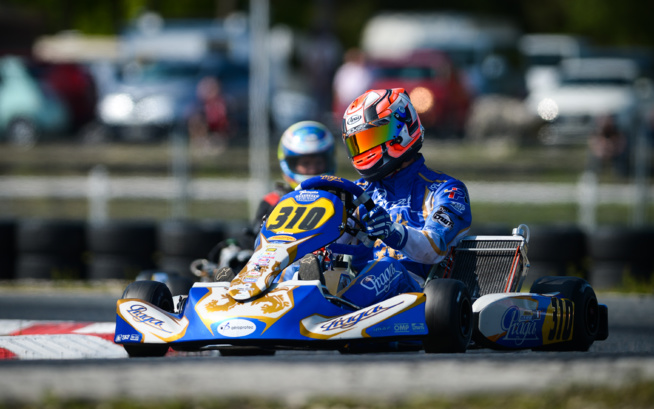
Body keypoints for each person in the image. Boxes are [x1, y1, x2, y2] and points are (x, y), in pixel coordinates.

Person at [334, 88, 472, 308]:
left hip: (421, 295)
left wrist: (393, 232)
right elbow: (333, 244)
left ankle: (335, 313)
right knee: (304, 265)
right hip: (357, 283)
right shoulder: (356, 193)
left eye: (371, 138)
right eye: (357, 143)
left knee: (387, 267)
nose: (364, 150)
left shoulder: (445, 190)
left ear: (402, 130)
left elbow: (434, 247)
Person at [209, 121, 336, 279]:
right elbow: (254, 237)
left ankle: (309, 275)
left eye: (318, 162)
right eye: (306, 163)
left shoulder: (339, 197)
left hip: (328, 260)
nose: (313, 169)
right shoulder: (275, 201)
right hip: (280, 262)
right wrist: (235, 248)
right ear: (289, 163)